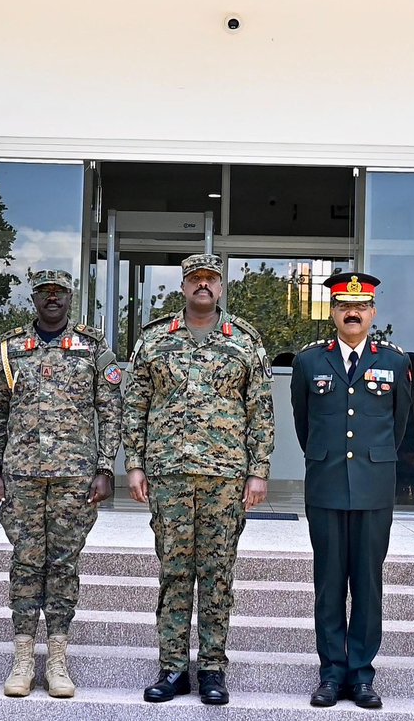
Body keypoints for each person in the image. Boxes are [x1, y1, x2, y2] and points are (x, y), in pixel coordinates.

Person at [123, 252, 274, 706]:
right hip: (168, 474)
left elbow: (260, 411)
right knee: (173, 572)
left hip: (225, 477)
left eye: (210, 279)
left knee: (217, 575)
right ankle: (172, 667)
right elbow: (135, 404)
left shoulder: (245, 340)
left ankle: (211, 667)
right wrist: (134, 463)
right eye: (195, 280)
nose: (202, 286)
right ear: (183, 286)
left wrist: (259, 471)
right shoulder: (154, 339)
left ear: (221, 287)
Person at [0, 269, 123, 699]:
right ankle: (23, 658)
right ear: (35, 299)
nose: (52, 300)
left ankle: (58, 659)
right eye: (44, 293)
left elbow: (110, 409)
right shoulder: (10, 349)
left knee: (63, 565)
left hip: (74, 478)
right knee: (26, 564)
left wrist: (105, 467)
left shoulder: (92, 347)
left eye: (60, 293)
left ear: (70, 297)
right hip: (21, 477)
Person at [289, 272, 411, 710]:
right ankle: (331, 673)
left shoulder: (395, 362)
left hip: (374, 489)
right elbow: (305, 425)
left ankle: (361, 674)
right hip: (325, 487)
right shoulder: (309, 362)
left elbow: (398, 426)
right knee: (328, 583)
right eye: (343, 305)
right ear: (333, 313)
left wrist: (372, 463)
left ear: (373, 312)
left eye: (360, 306)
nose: (352, 312)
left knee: (367, 583)